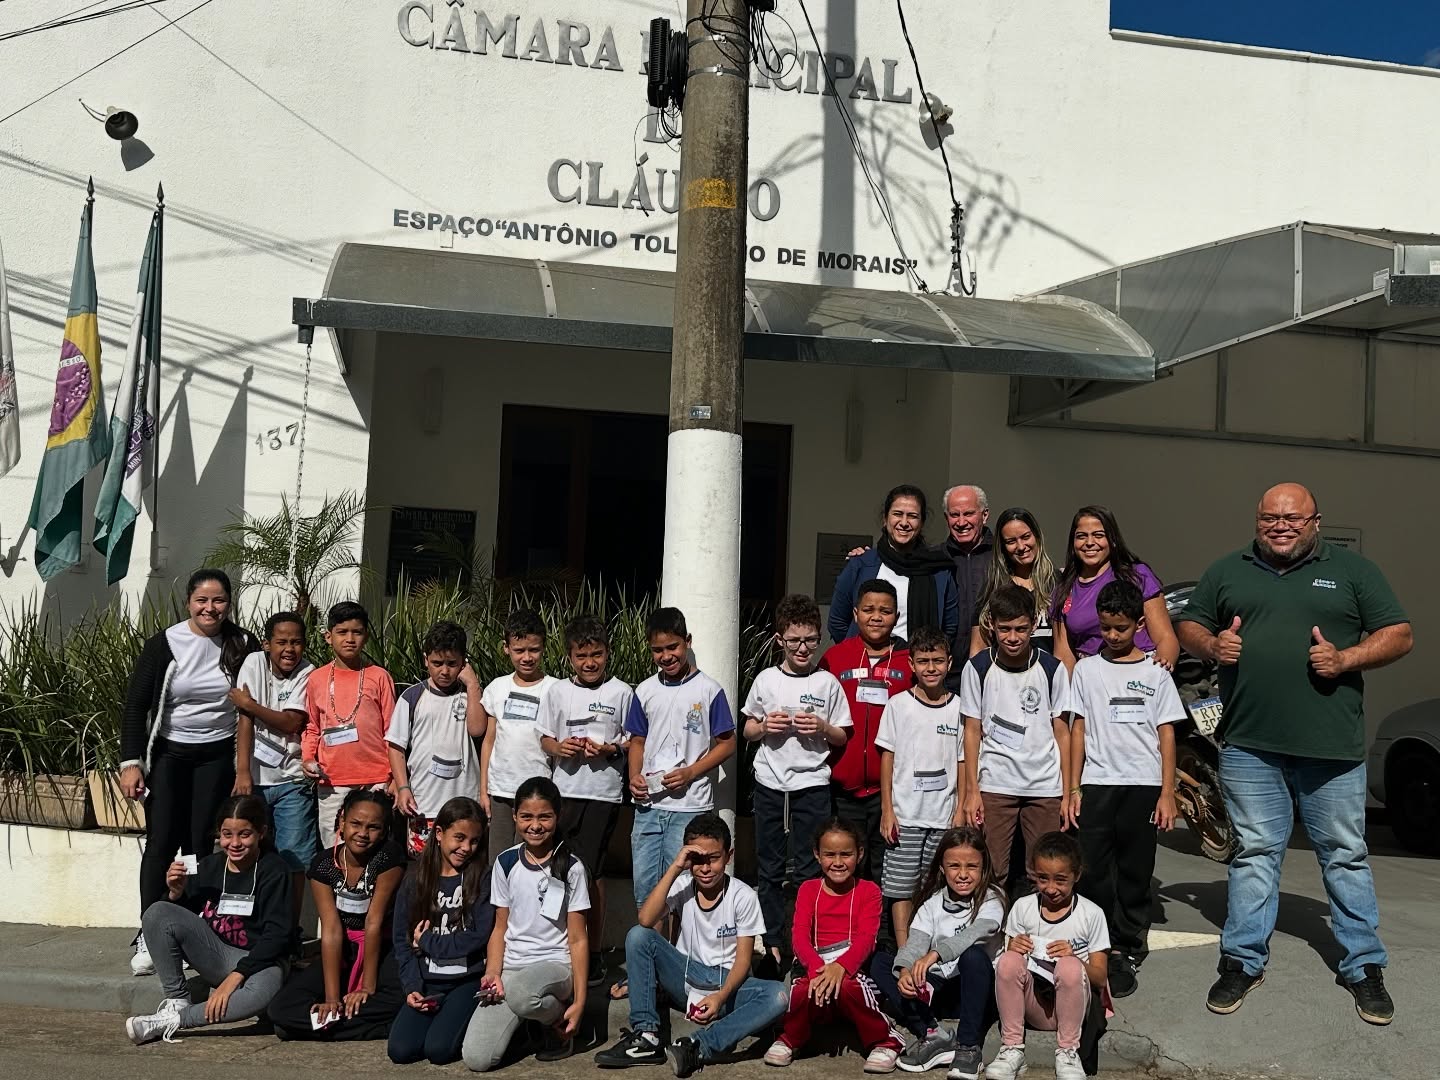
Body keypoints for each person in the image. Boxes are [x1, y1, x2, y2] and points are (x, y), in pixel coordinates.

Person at [1174, 482, 1412, 1026]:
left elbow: (1399, 634)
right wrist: (1212, 645)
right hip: (1249, 746)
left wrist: (1346, 659)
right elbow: (1189, 624)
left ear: (1315, 522)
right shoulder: (1227, 570)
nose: (1280, 526)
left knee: (1344, 855)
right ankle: (1243, 960)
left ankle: (1363, 966)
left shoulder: (1353, 571)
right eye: (1269, 518)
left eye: (1293, 518)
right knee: (1254, 854)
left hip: (1331, 748)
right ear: (1257, 520)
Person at [119, 568, 259, 976]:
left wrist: (244, 766)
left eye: (218, 600)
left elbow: (254, 701)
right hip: (169, 756)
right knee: (162, 842)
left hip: (216, 758)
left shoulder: (242, 644)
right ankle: (150, 930)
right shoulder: (164, 643)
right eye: (202, 600)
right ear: (188, 603)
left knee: (198, 846)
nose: (210, 608)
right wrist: (131, 763)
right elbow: (136, 706)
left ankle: (190, 927)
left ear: (229, 604)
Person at [594, 813, 787, 1076]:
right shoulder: (682, 885)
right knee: (638, 935)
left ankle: (697, 1046)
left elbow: (743, 961)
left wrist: (720, 997)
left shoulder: (743, 896)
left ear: (728, 856)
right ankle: (647, 1037)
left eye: (713, 858)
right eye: (697, 859)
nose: (705, 868)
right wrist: (676, 867)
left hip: (727, 984)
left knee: (777, 995)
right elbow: (646, 919)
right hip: (685, 976)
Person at [1067, 580, 1184, 999]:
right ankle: (1098, 943)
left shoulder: (1156, 672)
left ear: (1139, 625)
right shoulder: (1086, 671)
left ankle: (1127, 946)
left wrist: (1167, 793)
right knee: (1095, 869)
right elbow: (1078, 730)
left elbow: (1166, 734)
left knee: (1135, 869)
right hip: (1098, 784)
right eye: (1105, 628)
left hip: (1143, 785)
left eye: (1121, 628)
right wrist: (1073, 788)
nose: (1113, 636)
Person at [124, 794, 292, 1045]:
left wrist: (236, 977)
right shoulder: (208, 866)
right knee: (156, 911)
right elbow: (171, 922)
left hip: (259, 962)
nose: (234, 843)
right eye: (227, 834)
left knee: (263, 991)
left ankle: (174, 1020)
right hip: (218, 954)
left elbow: (278, 936)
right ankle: (177, 1000)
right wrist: (175, 892)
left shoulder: (274, 870)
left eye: (244, 834)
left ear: (261, 833)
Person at [742, 593, 852, 970]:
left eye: (810, 640)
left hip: (812, 783)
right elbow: (747, 728)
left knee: (809, 869)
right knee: (770, 868)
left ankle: (806, 946)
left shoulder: (826, 683)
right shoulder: (767, 679)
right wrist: (764, 726)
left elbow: (842, 735)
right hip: (770, 782)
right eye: (794, 641)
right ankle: (773, 945)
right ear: (780, 640)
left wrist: (821, 726)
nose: (803, 648)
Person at [462, 777, 589, 1071]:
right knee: (477, 1058)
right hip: (513, 969)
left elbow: (578, 938)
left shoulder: (572, 867)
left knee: (522, 994)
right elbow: (500, 928)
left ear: (558, 816)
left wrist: (580, 1001)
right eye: (527, 817)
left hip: (555, 966)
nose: (535, 825)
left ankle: (556, 1020)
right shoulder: (506, 863)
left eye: (544, 817)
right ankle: (527, 1026)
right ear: (514, 816)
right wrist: (493, 973)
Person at [538, 614, 633, 987]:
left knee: (590, 872)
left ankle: (592, 952)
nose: (590, 662)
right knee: (558, 867)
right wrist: (560, 748)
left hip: (602, 794)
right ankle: (558, 945)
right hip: (564, 792)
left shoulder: (622, 693)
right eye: (581, 656)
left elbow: (631, 742)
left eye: (596, 654)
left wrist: (610, 749)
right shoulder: (558, 691)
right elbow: (545, 737)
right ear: (569, 657)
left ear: (608, 653)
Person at [267, 789, 407, 1041]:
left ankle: (315, 1026)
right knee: (280, 1009)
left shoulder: (389, 858)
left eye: (373, 827)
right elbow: (331, 930)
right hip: (342, 947)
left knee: (399, 998)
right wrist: (332, 999)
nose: (362, 833)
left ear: (384, 831)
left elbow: (373, 922)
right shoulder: (323, 865)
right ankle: (349, 1021)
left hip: (383, 946)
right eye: (355, 824)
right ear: (342, 821)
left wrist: (367, 988)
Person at [763, 818, 899, 1074]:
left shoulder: (869, 891)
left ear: (859, 854)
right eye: (830, 854)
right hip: (816, 969)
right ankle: (791, 1038)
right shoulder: (808, 889)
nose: (838, 862)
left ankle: (885, 1040)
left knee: (848, 985)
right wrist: (817, 969)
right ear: (817, 855)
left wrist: (840, 967)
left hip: (852, 971)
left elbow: (866, 939)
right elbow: (799, 936)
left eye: (846, 854)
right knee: (803, 989)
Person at [625, 607, 737, 915]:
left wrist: (690, 772)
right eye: (657, 650)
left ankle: (678, 947)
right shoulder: (645, 690)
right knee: (646, 893)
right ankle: (651, 946)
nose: (666, 656)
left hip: (690, 806)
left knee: (683, 893)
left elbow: (727, 743)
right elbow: (637, 741)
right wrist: (634, 776)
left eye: (672, 647)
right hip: (648, 807)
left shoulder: (709, 689)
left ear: (687, 641)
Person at [958, 586, 1073, 886]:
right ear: (991, 625)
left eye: (1021, 629)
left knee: (1044, 872)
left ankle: (1037, 918)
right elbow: (971, 730)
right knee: (992, 870)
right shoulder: (978, 668)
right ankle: (992, 918)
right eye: (1005, 628)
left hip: (1045, 785)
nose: (1013, 637)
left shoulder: (1052, 668)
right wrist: (972, 791)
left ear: (1034, 624)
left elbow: (1062, 731)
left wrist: (1068, 791)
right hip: (995, 783)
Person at [870, 827, 1005, 1079]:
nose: (963, 874)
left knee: (973, 955)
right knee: (881, 963)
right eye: (954, 866)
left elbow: (974, 934)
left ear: (984, 867)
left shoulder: (992, 899)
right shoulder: (931, 904)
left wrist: (934, 954)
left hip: (978, 992)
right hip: (941, 989)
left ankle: (968, 1048)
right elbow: (914, 944)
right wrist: (904, 972)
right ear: (942, 868)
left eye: (972, 866)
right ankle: (933, 1034)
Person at [987, 832, 1108, 1080]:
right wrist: (1014, 948)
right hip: (1034, 1006)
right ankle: (1012, 1048)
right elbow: (1009, 971)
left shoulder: (1092, 914)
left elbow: (1100, 978)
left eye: (1060, 880)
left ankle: (1068, 1052)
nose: (1051, 888)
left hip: (1074, 1007)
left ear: (1077, 875)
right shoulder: (1023, 907)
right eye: (1043, 878)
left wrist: (1075, 958)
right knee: (1008, 961)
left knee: (1069, 967)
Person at [875, 625, 966, 946]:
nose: (931, 668)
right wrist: (887, 810)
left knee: (934, 886)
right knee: (901, 888)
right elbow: (887, 758)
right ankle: (904, 950)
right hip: (906, 816)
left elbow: (962, 761)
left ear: (949, 663)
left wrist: (960, 808)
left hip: (943, 817)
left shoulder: (959, 708)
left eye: (937, 661)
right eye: (924, 661)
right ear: (911, 664)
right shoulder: (898, 705)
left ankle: (930, 947)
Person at [820, 580, 914, 886]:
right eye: (868, 610)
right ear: (855, 613)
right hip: (843, 789)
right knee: (847, 870)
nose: (876, 617)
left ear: (897, 616)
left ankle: (883, 920)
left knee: (886, 872)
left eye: (885, 611)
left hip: (890, 791)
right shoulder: (835, 658)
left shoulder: (909, 660)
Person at [388, 797, 494, 1066]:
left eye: (474, 841)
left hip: (466, 980)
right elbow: (402, 940)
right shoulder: (415, 878)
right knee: (400, 1050)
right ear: (438, 833)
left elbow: (478, 935)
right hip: (428, 982)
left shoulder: (482, 877)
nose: (466, 848)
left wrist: (428, 941)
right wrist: (412, 987)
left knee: (438, 1051)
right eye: (459, 837)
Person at [231, 611, 314, 929]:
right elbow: (245, 719)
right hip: (254, 780)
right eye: (281, 642)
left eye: (296, 642)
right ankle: (250, 925)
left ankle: (289, 929)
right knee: (248, 850)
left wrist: (250, 704)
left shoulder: (308, 672)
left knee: (293, 856)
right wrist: (243, 771)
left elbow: (292, 722)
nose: (289, 649)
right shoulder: (253, 663)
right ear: (267, 644)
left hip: (292, 778)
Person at [301, 601, 398, 845]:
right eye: (342, 632)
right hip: (332, 780)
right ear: (328, 636)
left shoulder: (379, 676)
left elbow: (393, 731)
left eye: (357, 632)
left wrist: (395, 776)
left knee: (374, 846)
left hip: (376, 778)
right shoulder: (317, 679)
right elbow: (312, 727)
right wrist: (308, 758)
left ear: (366, 636)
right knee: (334, 846)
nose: (350, 639)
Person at [387, 620, 486, 855]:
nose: (444, 671)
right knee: (424, 864)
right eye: (437, 663)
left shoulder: (471, 695)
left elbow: (477, 729)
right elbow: (396, 747)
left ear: (463, 662)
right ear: (426, 660)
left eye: (452, 664)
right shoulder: (412, 697)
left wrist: (473, 684)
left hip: (464, 800)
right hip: (424, 802)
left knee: (462, 861)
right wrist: (403, 787)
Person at [1051, 506, 1178, 673]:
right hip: (1092, 677)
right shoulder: (1063, 589)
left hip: (1140, 671)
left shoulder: (1137, 576)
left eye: (1098, 535)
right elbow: (1064, 656)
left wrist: (1158, 676)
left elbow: (1165, 639)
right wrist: (1069, 689)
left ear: (1113, 540)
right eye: (1081, 536)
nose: (1089, 542)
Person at [830, 485, 958, 646]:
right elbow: (837, 622)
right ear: (885, 519)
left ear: (922, 522)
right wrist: (857, 653)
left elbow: (950, 628)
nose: (904, 522)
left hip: (918, 660)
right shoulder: (861, 564)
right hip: (865, 659)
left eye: (912, 516)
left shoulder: (938, 571)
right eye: (897, 514)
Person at [478, 609, 559, 865]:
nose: (527, 657)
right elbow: (489, 740)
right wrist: (483, 790)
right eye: (519, 650)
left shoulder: (555, 689)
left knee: (532, 861)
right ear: (506, 648)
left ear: (544, 647)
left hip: (538, 791)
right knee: (499, 861)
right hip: (501, 790)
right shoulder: (497, 687)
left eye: (534, 650)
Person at [971, 508, 1058, 657]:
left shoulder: (1057, 582)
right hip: (1004, 670)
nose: (1021, 547)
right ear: (1002, 547)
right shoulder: (993, 587)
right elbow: (978, 650)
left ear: (1037, 536)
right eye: (1011, 541)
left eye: (1026, 537)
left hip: (1047, 670)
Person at [942, 484, 994, 656]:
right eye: (954, 515)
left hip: (994, 663)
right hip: (944, 665)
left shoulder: (1003, 556)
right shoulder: (935, 558)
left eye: (969, 514)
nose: (961, 522)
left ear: (984, 515)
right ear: (946, 518)